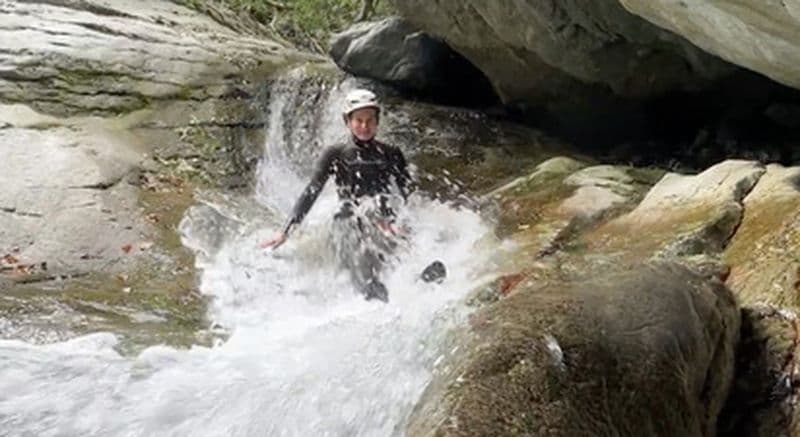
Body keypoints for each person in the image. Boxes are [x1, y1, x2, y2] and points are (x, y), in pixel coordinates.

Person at [260, 89, 412, 302]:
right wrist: (286, 231)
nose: (364, 126)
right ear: (347, 121)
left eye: (370, 120)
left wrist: (402, 222)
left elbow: (406, 194)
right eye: (358, 120)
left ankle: (410, 279)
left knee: (386, 222)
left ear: (377, 121)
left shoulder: (391, 153)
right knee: (353, 218)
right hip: (349, 222)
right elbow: (312, 191)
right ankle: (367, 289)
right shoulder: (336, 154)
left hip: (382, 219)